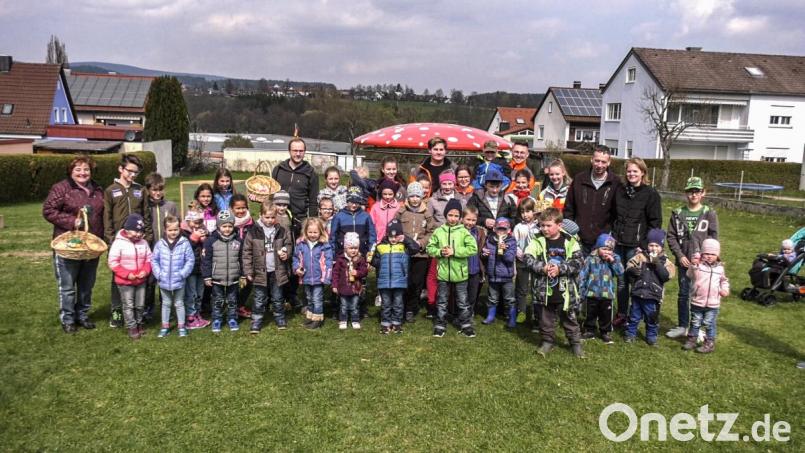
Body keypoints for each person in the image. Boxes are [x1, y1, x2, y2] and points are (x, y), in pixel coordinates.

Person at [42, 155, 105, 333]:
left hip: (91, 247)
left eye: (86, 169)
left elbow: (102, 214)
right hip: (68, 246)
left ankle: (82, 315)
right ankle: (68, 319)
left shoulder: (97, 189)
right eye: (78, 169)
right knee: (68, 287)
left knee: (86, 285)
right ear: (71, 171)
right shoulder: (62, 188)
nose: (83, 173)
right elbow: (48, 210)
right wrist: (71, 221)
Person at [525, 208, 585, 358]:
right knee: (545, 319)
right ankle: (547, 341)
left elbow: (578, 262)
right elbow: (528, 258)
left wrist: (560, 269)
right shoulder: (537, 241)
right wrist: (542, 267)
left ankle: (575, 343)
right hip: (544, 290)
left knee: (570, 319)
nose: (544, 229)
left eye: (548, 225)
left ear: (559, 225)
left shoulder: (570, 242)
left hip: (565, 291)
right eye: (542, 225)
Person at [666, 176, 719, 339]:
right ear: (685, 193)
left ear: (703, 193)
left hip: (703, 264)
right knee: (683, 294)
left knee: (701, 295)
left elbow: (713, 238)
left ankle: (699, 328)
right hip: (684, 262)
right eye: (690, 192)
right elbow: (671, 236)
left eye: (697, 191)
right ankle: (683, 325)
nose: (693, 195)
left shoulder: (708, 213)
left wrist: (708, 258)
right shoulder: (678, 213)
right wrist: (680, 255)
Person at [103, 154, 153, 328]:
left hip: (139, 241)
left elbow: (146, 215)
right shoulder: (110, 190)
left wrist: (147, 236)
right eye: (130, 171)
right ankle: (117, 312)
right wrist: (110, 241)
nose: (132, 175)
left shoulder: (140, 190)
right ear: (120, 169)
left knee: (140, 276)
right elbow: (107, 217)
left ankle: (139, 313)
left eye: (136, 172)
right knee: (118, 278)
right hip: (119, 243)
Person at [612, 158, 662, 328]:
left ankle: (635, 316)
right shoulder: (620, 191)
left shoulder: (650, 194)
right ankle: (621, 314)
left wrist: (645, 244)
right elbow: (613, 215)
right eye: (629, 171)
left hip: (636, 245)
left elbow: (655, 222)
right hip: (619, 243)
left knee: (636, 281)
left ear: (642, 172)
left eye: (635, 171)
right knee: (621, 282)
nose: (631, 174)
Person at [426, 199, 479, 338]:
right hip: (443, 273)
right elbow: (430, 248)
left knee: (462, 300)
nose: (453, 218)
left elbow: (473, 249)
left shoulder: (464, 232)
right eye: (450, 215)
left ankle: (466, 324)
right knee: (442, 300)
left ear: (460, 217)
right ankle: (440, 324)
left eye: (456, 216)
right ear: (445, 215)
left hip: (460, 274)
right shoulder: (439, 231)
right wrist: (440, 252)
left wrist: (454, 251)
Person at [242, 202, 293, 333]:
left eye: (272, 217)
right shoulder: (253, 231)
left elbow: (288, 244)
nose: (270, 220)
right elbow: (246, 252)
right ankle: (256, 321)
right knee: (259, 298)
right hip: (259, 271)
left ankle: (280, 318)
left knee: (277, 297)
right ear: (261, 215)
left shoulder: (281, 230)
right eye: (267, 217)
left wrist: (286, 252)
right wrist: (247, 271)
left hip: (277, 270)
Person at [563, 148, 620, 254]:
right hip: (579, 238)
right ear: (591, 160)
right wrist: (570, 231)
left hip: (603, 241)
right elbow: (569, 208)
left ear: (609, 162)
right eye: (597, 160)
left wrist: (612, 235)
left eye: (603, 162)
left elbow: (618, 213)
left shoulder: (615, 183)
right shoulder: (579, 179)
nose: (599, 165)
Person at [624, 228, 675, 346]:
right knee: (634, 316)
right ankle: (630, 334)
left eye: (657, 246)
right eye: (651, 245)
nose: (653, 248)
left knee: (652, 318)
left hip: (653, 295)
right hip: (638, 292)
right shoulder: (640, 256)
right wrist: (632, 270)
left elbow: (667, 276)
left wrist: (657, 263)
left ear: (662, 247)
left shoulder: (665, 261)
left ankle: (651, 336)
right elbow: (629, 264)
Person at [107, 213, 152, 340]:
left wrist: (145, 270)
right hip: (125, 282)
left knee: (140, 304)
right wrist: (127, 274)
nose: (138, 234)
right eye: (135, 231)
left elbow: (149, 259)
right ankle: (132, 327)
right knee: (128, 305)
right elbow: (113, 263)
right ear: (127, 230)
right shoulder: (118, 243)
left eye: (141, 232)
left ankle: (139, 323)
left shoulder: (143, 243)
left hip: (141, 280)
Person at [372, 219, 421, 334]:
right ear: (387, 235)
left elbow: (416, 248)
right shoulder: (380, 247)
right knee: (386, 304)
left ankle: (397, 323)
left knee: (398, 303)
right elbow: (375, 261)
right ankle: (385, 323)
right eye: (390, 236)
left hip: (399, 281)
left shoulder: (404, 246)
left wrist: (405, 239)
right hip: (384, 281)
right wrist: (373, 260)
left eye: (396, 236)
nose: (393, 239)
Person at [395, 182, 434, 322]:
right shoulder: (401, 211)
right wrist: (399, 238)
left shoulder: (427, 214)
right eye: (412, 196)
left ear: (422, 197)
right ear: (408, 197)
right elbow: (394, 227)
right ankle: (402, 307)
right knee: (404, 281)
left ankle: (412, 308)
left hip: (420, 254)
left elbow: (432, 232)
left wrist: (421, 243)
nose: (415, 199)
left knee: (417, 282)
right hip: (403, 252)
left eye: (418, 196)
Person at [143, 172, 179, 322]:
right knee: (150, 281)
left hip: (167, 250)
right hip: (150, 250)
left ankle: (166, 307)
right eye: (154, 190)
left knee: (166, 280)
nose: (157, 193)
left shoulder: (170, 206)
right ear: (148, 190)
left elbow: (177, 225)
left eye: (160, 190)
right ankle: (148, 309)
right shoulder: (145, 207)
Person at [151, 215, 195, 338]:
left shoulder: (184, 243)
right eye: (170, 230)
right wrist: (159, 274)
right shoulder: (160, 244)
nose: (173, 232)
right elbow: (154, 260)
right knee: (166, 303)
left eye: (176, 229)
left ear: (179, 229)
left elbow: (190, 260)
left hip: (179, 280)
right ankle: (165, 326)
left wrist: (182, 274)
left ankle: (182, 326)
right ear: (165, 230)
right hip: (164, 280)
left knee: (179, 303)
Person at [202, 210, 245, 334]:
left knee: (232, 300)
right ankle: (217, 319)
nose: (227, 229)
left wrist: (242, 274)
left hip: (233, 277)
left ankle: (232, 318)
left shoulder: (238, 241)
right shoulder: (211, 241)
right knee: (217, 300)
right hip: (217, 278)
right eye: (224, 226)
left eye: (230, 226)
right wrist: (207, 276)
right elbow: (206, 260)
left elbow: (242, 259)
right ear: (218, 226)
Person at [683, 239, 729, 353]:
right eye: (706, 253)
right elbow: (689, 275)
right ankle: (692, 340)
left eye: (712, 254)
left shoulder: (720, 268)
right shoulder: (698, 266)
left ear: (717, 255)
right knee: (695, 321)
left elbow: (724, 280)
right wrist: (693, 265)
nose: (709, 256)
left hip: (713, 304)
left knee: (709, 323)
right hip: (697, 301)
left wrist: (724, 289)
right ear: (702, 254)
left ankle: (709, 343)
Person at [578, 233, 624, 344]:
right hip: (591, 292)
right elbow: (583, 274)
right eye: (604, 249)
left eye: (610, 250)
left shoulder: (615, 259)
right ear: (598, 248)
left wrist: (612, 261)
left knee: (606, 314)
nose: (607, 252)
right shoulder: (590, 258)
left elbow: (620, 272)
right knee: (590, 313)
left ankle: (605, 332)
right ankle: (590, 330)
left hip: (607, 293)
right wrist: (581, 290)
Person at [271, 138, 319, 236]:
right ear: (289, 151)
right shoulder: (278, 169)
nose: (298, 154)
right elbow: (270, 193)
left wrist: (311, 222)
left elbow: (313, 201)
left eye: (301, 151)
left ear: (304, 152)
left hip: (300, 219)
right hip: (279, 216)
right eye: (295, 151)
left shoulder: (311, 173)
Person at [293, 217, 333, 330]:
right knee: (309, 298)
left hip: (318, 278)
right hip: (306, 277)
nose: (312, 234)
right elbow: (296, 258)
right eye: (310, 232)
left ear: (320, 231)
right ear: (305, 231)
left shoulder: (324, 245)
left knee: (317, 299)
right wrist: (297, 269)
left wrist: (326, 277)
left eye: (315, 232)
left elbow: (328, 262)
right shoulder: (301, 244)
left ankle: (317, 319)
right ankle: (310, 316)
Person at [482, 217, 517, 329]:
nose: (501, 232)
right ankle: (490, 316)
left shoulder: (511, 241)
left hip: (506, 276)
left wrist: (505, 250)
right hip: (493, 275)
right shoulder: (490, 240)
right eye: (499, 229)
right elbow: (486, 254)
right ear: (494, 229)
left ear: (508, 230)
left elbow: (510, 259)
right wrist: (484, 253)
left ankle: (511, 318)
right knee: (492, 298)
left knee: (509, 299)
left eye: (504, 229)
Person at [510, 198, 540, 330]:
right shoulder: (518, 227)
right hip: (522, 261)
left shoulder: (539, 226)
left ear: (534, 212)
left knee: (536, 289)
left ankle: (536, 317)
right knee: (521, 289)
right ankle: (521, 312)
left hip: (536, 262)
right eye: (522, 212)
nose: (525, 214)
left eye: (528, 211)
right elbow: (514, 243)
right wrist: (519, 253)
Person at [332, 233, 369, 330]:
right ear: (345, 248)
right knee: (343, 306)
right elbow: (335, 273)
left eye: (356, 248)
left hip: (355, 288)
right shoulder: (340, 259)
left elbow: (365, 271)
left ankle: (355, 320)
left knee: (354, 306)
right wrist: (335, 285)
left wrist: (357, 273)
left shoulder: (360, 259)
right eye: (351, 248)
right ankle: (343, 320)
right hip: (343, 287)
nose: (353, 250)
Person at [181, 209, 210, 329]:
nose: (197, 225)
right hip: (190, 268)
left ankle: (197, 314)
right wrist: (193, 239)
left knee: (199, 293)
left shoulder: (203, 230)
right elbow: (184, 249)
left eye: (199, 222)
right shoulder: (183, 233)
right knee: (191, 294)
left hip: (201, 267)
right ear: (188, 221)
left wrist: (205, 240)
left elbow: (208, 246)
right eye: (194, 222)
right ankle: (190, 317)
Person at [330, 187, 377, 257]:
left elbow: (372, 235)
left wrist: (370, 251)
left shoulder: (366, 216)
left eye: (357, 203)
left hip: (362, 253)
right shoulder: (339, 216)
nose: (354, 205)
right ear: (347, 201)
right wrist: (333, 254)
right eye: (351, 202)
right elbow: (333, 236)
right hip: (342, 254)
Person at [467, 168, 516, 234]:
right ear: (485, 185)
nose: (495, 190)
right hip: (483, 235)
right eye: (491, 187)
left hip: (503, 235)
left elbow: (515, 218)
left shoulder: (508, 199)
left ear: (501, 185)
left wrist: (505, 222)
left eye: (497, 187)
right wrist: (484, 221)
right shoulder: (476, 199)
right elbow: (468, 217)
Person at [230, 193, 255, 319]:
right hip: (232, 258)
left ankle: (240, 305)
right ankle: (232, 307)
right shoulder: (228, 223)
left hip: (247, 258)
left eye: (243, 208)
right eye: (237, 208)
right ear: (231, 209)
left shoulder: (251, 223)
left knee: (249, 282)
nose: (241, 211)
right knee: (233, 283)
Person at [463, 206, 486, 319]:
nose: (471, 222)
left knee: (473, 294)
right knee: (462, 293)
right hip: (462, 268)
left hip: (475, 268)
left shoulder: (479, 232)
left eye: (473, 220)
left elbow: (481, 248)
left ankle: (470, 311)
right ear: (462, 219)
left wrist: (484, 251)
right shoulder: (459, 231)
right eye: (468, 219)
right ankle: (461, 312)